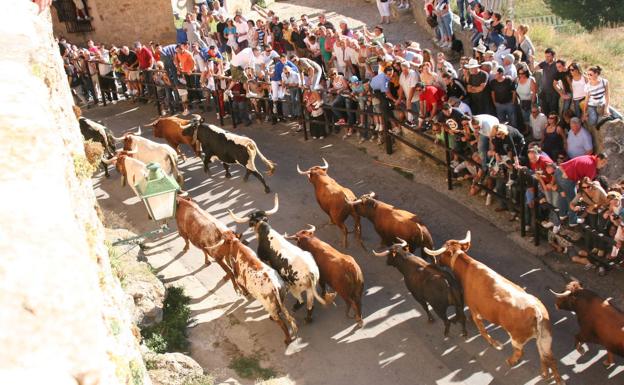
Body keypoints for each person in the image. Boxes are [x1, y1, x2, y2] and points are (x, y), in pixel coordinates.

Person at [583, 65, 610, 148]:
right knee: (592, 121)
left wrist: (607, 108)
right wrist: (584, 112)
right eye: (588, 74)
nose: (588, 76)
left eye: (590, 74)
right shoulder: (587, 86)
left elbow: (607, 95)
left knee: (606, 117)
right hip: (592, 105)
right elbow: (586, 99)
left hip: (602, 103)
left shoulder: (604, 82)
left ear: (596, 74)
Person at [532, 48, 559, 115]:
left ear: (553, 56)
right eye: (546, 56)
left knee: (553, 112)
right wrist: (532, 61)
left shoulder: (557, 65)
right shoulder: (544, 63)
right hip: (544, 92)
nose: (546, 58)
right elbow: (533, 69)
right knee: (545, 111)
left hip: (554, 93)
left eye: (548, 56)